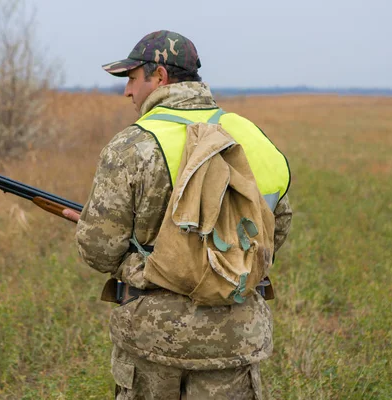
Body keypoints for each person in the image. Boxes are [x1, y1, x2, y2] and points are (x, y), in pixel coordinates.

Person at [63, 30, 292, 400]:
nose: (127, 91)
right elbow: (275, 229)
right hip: (236, 338)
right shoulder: (250, 137)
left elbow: (99, 249)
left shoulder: (132, 145)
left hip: (156, 343)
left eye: (133, 78)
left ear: (160, 77)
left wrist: (147, 267)